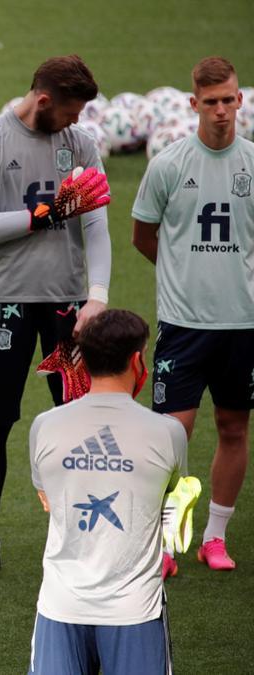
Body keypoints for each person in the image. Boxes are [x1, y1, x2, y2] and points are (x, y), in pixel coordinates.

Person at [0, 55, 112, 581]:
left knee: (75, 418)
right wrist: (48, 213)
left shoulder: (82, 143)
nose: (75, 122)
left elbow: (95, 225)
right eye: (69, 112)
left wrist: (96, 295)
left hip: (67, 308)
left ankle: (79, 537)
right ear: (44, 100)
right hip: (9, 304)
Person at [132, 56, 253, 572]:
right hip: (183, 326)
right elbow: (143, 234)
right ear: (193, 104)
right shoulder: (168, 165)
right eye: (211, 102)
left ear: (239, 100)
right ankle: (164, 542)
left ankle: (215, 537)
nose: (221, 111)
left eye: (228, 100)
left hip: (242, 325)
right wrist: (179, 270)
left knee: (232, 428)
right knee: (172, 435)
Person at [28, 309, 185, 674]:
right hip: (136, 610)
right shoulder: (168, 432)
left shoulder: (44, 426)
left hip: (60, 605)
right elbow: (172, 497)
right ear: (137, 359)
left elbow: (47, 500)